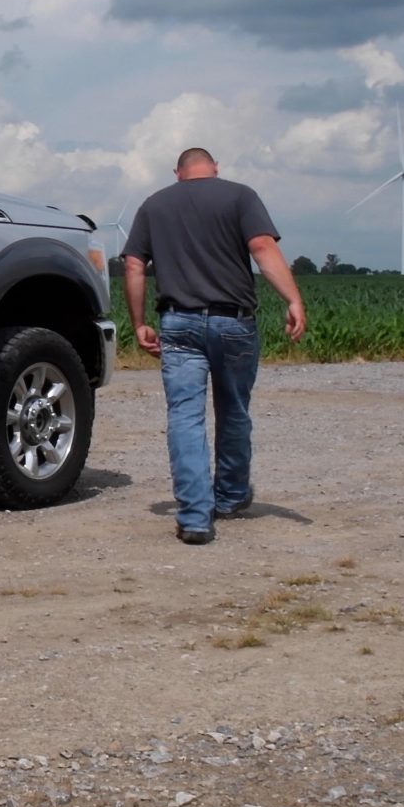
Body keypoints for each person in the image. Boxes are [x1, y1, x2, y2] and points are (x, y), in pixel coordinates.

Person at [121, 148, 306, 546]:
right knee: (234, 410)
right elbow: (261, 247)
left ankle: (194, 518)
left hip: (178, 323)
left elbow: (135, 265)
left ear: (178, 173)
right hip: (234, 321)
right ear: (215, 168)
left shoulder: (154, 205)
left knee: (185, 417)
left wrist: (139, 324)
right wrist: (292, 299)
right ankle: (231, 496)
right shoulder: (240, 196)